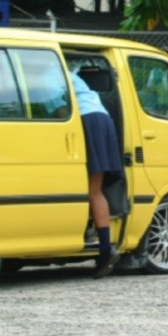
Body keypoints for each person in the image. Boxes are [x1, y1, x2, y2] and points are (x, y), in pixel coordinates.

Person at [71, 71, 122, 279]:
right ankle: (105, 248)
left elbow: (59, 110)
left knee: (88, 189)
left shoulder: (48, 71)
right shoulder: (70, 74)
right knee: (95, 190)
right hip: (101, 118)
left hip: (87, 119)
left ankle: (100, 246)